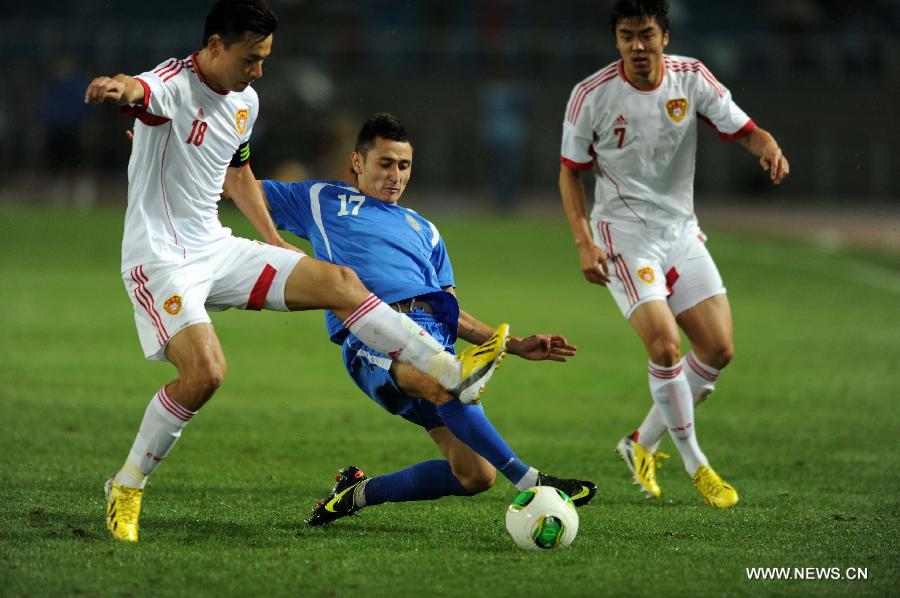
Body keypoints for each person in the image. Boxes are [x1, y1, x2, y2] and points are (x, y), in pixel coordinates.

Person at [84, 0, 507, 543]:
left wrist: (271, 242)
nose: (259, 70)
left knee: (339, 282)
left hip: (215, 246)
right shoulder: (173, 83)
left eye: (265, 58)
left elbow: (239, 173)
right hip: (161, 258)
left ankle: (445, 368)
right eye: (251, 57)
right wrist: (118, 88)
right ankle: (127, 484)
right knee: (204, 374)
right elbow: (139, 89)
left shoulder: (245, 101)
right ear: (215, 47)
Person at [260, 113, 597, 526]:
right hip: (371, 337)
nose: (395, 175)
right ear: (357, 162)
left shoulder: (426, 230)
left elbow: (449, 311)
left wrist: (516, 344)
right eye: (385, 163)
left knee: (475, 475)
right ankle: (533, 481)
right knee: (443, 383)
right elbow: (232, 185)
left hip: (434, 340)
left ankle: (358, 493)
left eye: (404, 165)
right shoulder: (320, 200)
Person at [558, 0, 789, 508]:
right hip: (621, 235)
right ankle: (697, 465)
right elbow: (571, 170)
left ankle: (639, 443)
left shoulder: (692, 78)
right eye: (626, 36)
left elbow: (744, 130)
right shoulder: (591, 96)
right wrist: (583, 241)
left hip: (680, 232)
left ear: (664, 35)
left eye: (645, 35)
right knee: (664, 347)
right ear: (616, 40)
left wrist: (767, 144)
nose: (636, 47)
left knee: (717, 350)